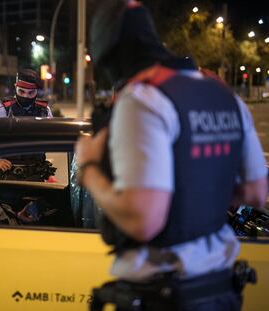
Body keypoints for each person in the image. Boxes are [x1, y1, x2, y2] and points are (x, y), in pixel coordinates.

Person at [75, 1, 268, 310]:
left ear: (112, 56)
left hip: (164, 295)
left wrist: (88, 169)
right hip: (221, 291)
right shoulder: (224, 96)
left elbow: (143, 222)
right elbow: (256, 193)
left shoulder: (144, 99)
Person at [0, 68, 54, 180]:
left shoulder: (44, 111)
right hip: (7, 176)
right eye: (21, 91)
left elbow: (52, 137)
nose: (26, 96)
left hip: (36, 174)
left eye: (31, 93)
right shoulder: (2, 109)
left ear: (37, 91)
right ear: (16, 87)